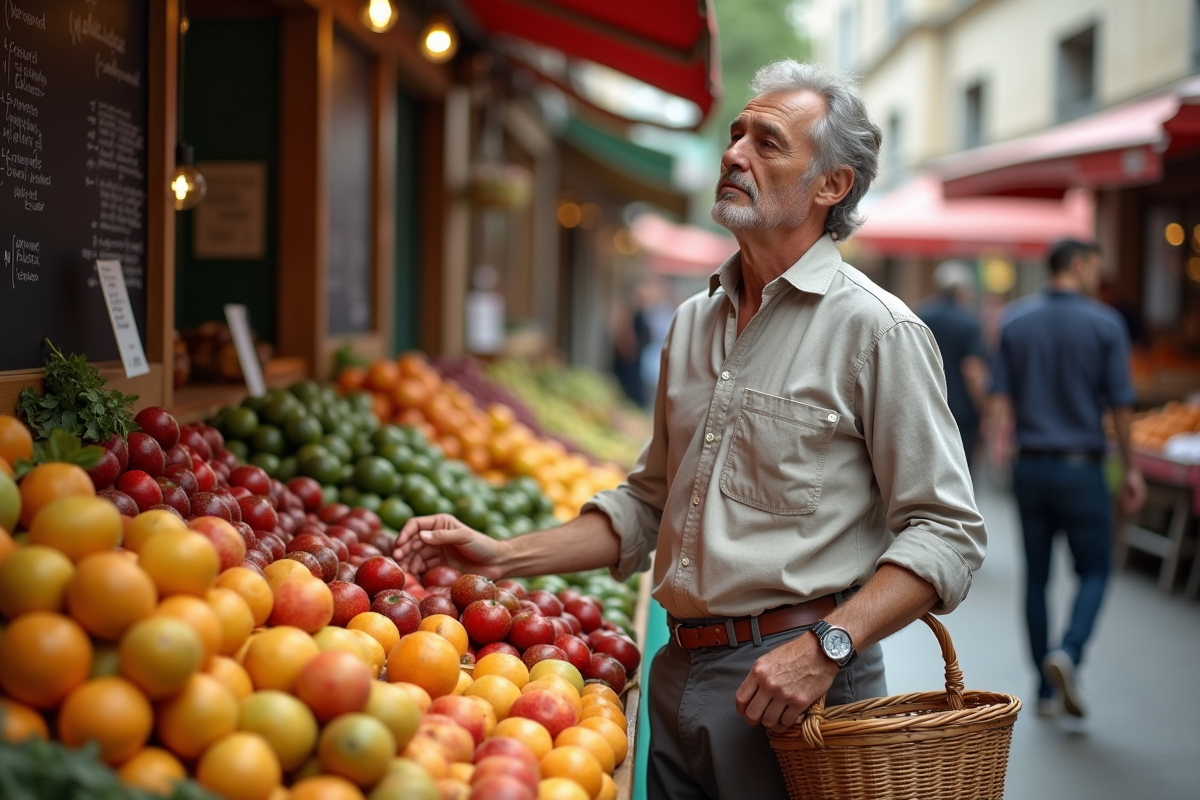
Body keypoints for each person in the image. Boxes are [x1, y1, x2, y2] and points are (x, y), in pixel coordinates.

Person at [394, 60, 986, 799]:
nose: (734, 153)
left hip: (799, 687)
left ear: (831, 184)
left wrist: (828, 646)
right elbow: (650, 503)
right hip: (675, 673)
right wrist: (501, 556)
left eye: (767, 143)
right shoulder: (692, 321)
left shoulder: (877, 331)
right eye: (736, 135)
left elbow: (946, 531)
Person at [987, 238, 1147, 720]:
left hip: (1030, 465)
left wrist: (998, 445)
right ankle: (1069, 652)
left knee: (1037, 578)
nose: (1097, 279)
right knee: (1096, 569)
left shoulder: (1013, 321)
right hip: (1082, 467)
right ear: (1079, 265)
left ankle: (1043, 686)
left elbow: (999, 399)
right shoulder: (1105, 323)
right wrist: (1132, 467)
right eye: (1095, 269)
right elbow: (1120, 402)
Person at [917, 260, 988, 467]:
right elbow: (972, 370)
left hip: (925, 407)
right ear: (960, 290)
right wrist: (983, 407)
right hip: (960, 413)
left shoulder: (920, 315)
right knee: (960, 471)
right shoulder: (968, 321)